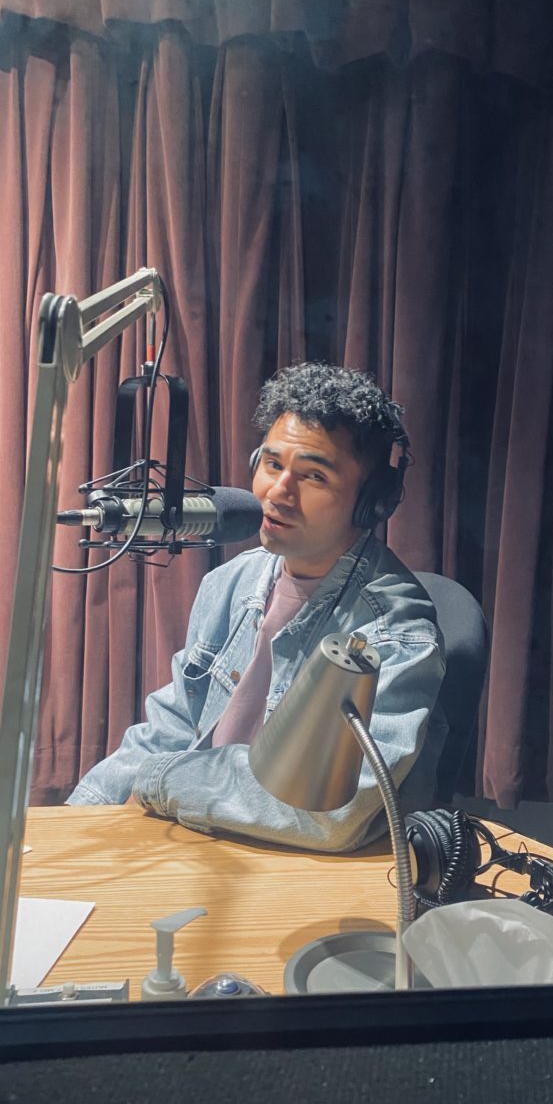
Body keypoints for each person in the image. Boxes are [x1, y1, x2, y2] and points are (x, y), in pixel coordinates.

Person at [67, 362, 446, 851]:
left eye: (313, 476)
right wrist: (73, 825)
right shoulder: (231, 582)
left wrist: (160, 781)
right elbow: (175, 722)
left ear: (369, 502)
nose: (278, 493)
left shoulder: (396, 634)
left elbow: (333, 814)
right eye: (272, 465)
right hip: (202, 835)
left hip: (301, 871)